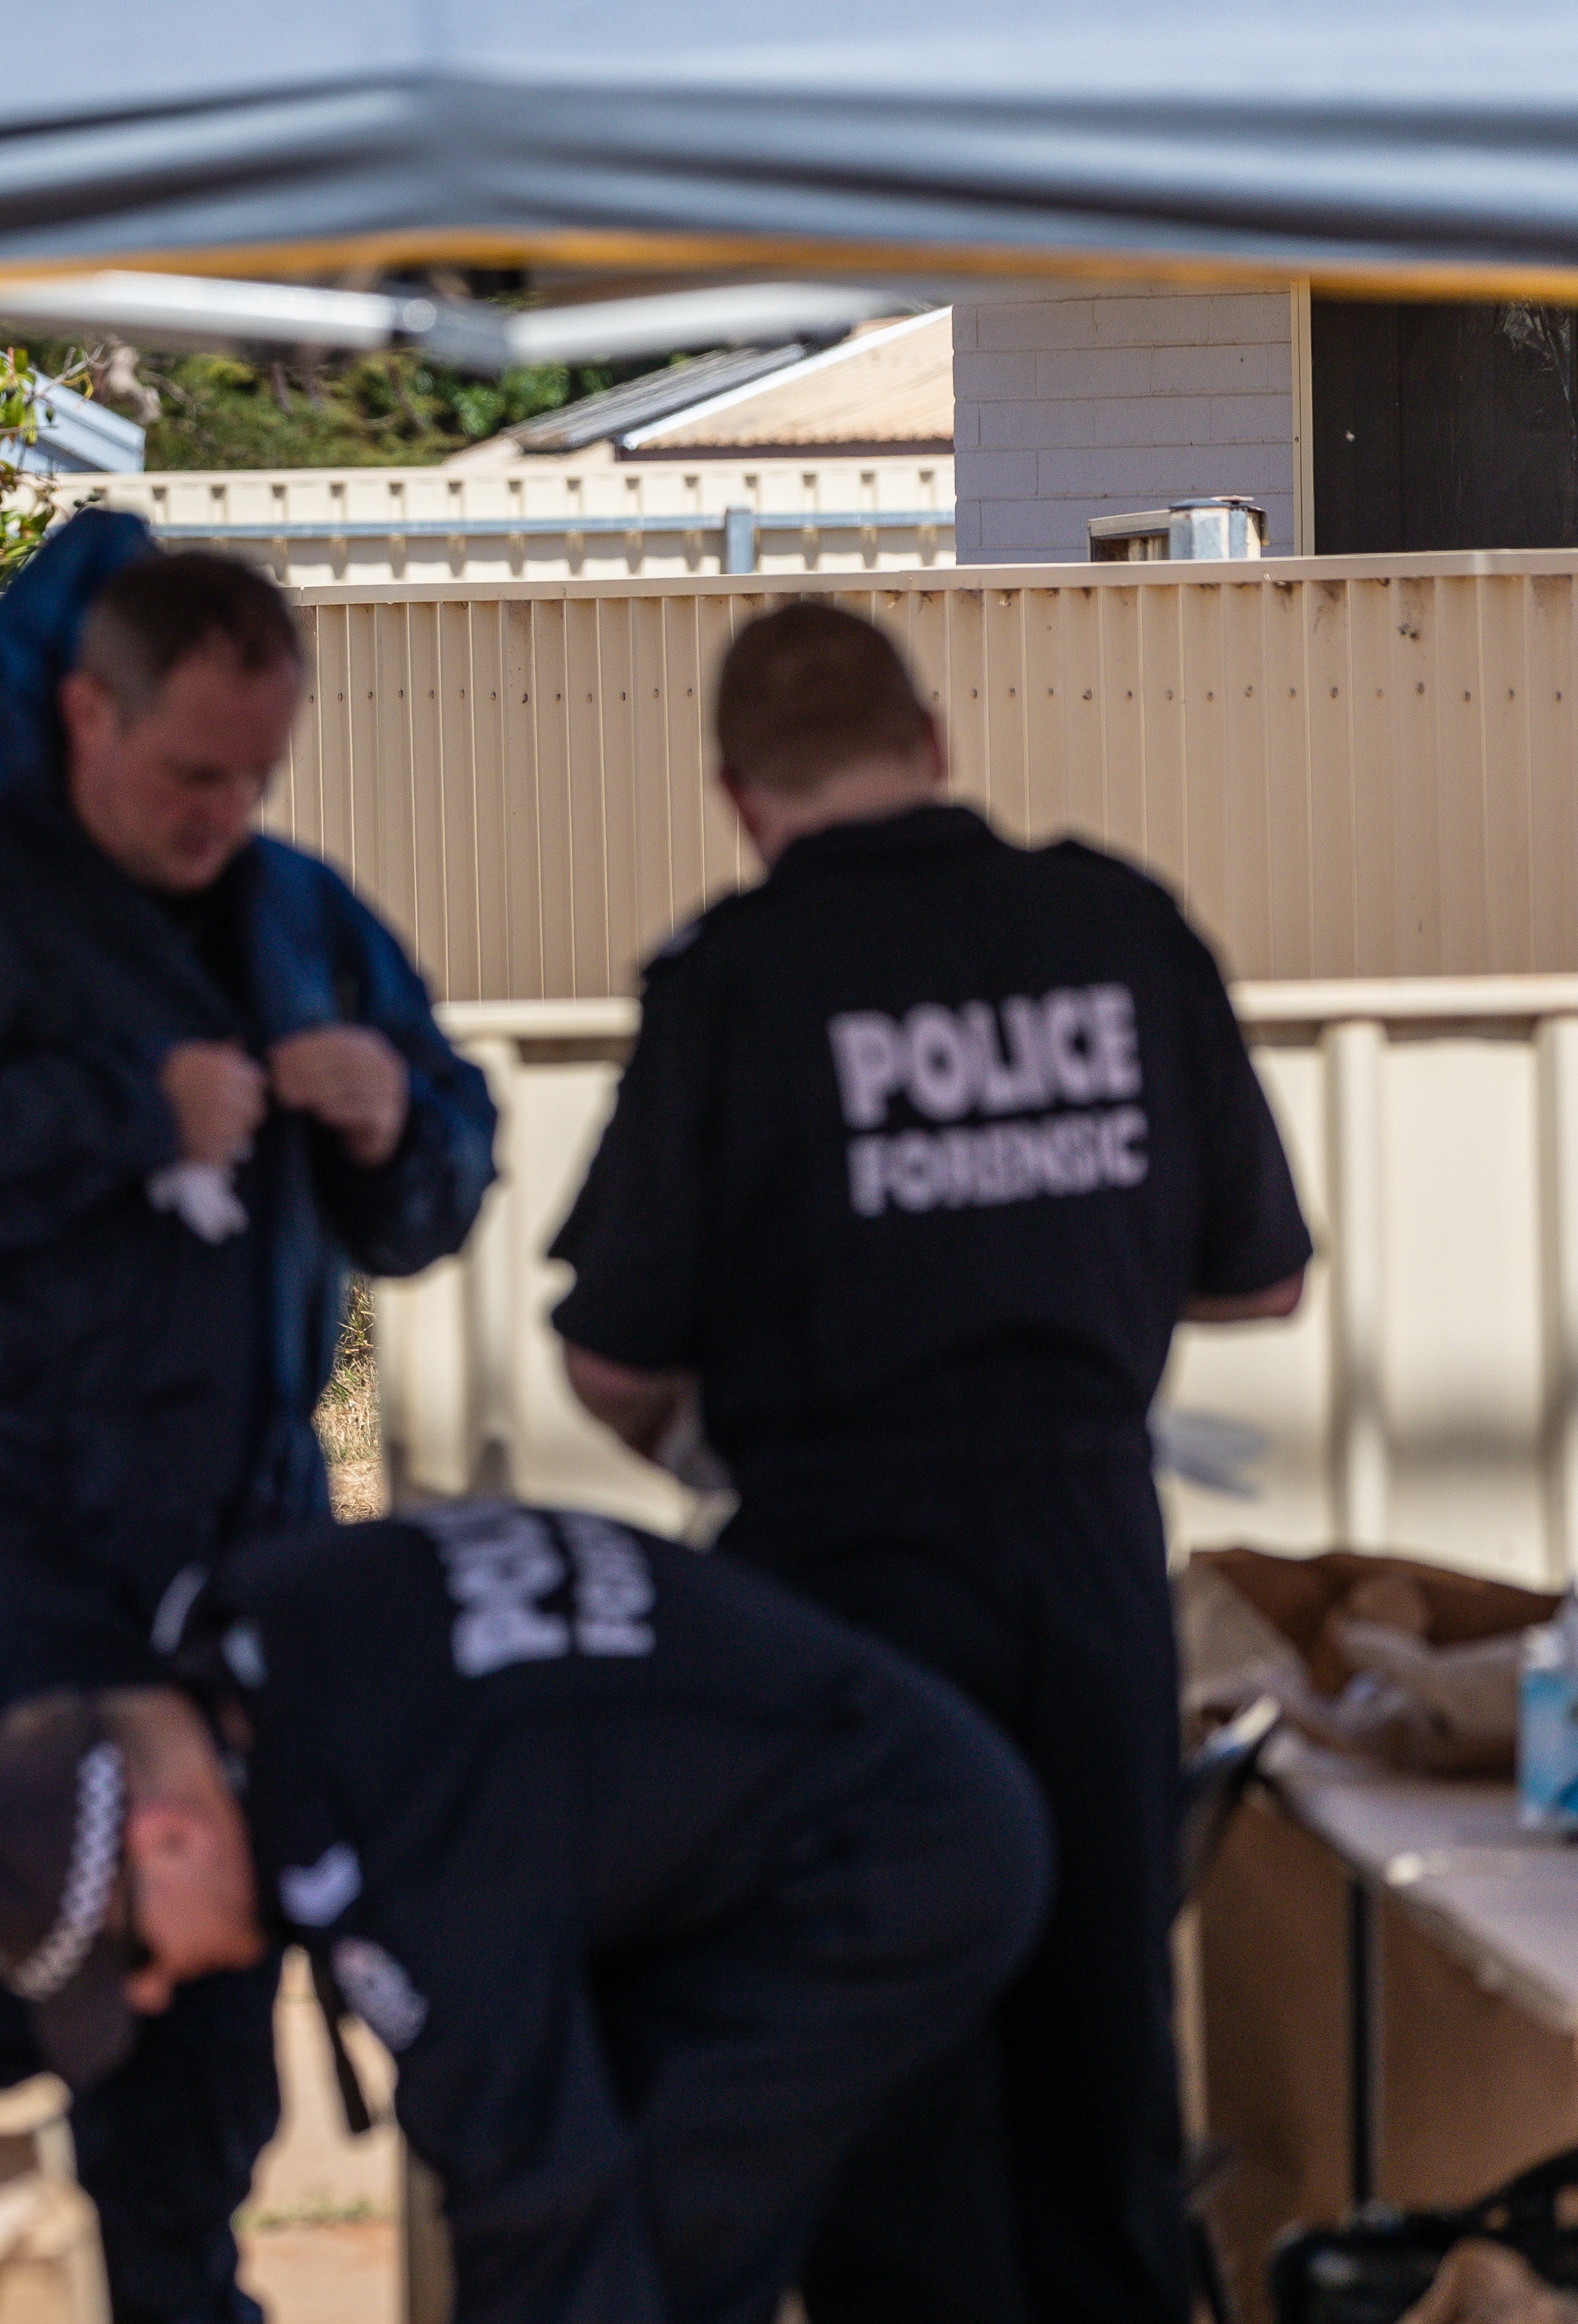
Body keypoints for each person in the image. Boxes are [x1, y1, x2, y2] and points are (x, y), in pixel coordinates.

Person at [0, 511, 497, 2324]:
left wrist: (397, 1121)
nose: (222, 816)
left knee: (201, 2046)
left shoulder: (299, 916)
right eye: (190, 773)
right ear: (87, 716)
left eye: (258, 775)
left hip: (244, 1555)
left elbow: (444, 1185)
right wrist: (120, 1116)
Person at [545, 601, 1315, 2324]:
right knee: (1102, 2050)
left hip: (838, 1585)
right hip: (1090, 1560)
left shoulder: (729, 984)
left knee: (894, 2063)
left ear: (738, 796)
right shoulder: (1123, 926)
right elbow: (1264, 1270)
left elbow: (610, 1356)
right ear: (937, 742)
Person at [0, 1502, 1049, 2324]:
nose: (156, 1988)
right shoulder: (275, 1628)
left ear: (165, 1836)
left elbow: (534, 2201)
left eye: (133, 1954)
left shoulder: (399, 1828)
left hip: (893, 1857)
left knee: (645, 2236)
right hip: (859, 1789)